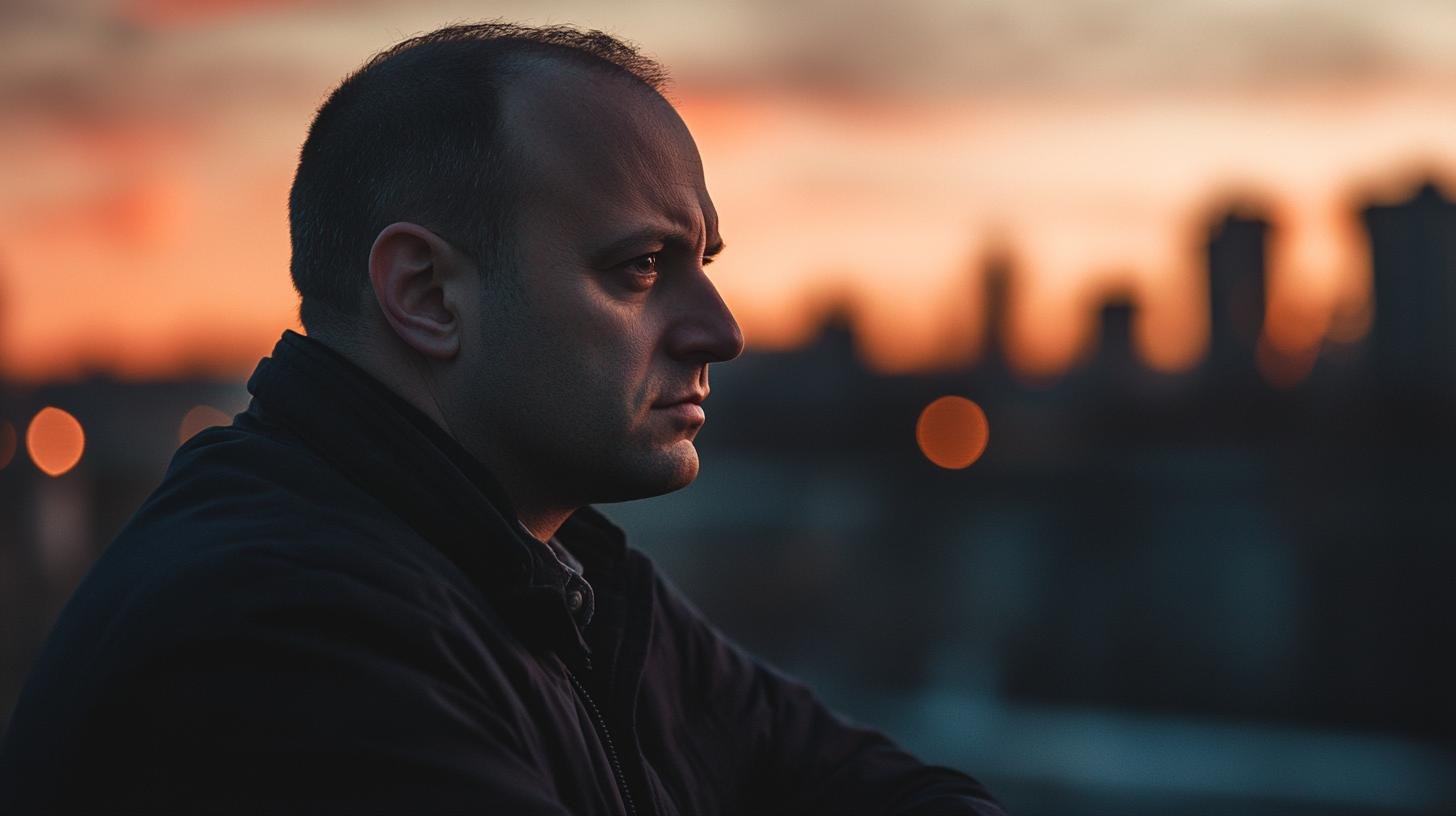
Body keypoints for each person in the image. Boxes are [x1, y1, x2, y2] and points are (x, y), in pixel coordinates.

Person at [0, 23, 1005, 815]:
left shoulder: (563, 583)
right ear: (428, 295)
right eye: (640, 268)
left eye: (705, 264)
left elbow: (859, 781)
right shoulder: (279, 634)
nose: (721, 331)